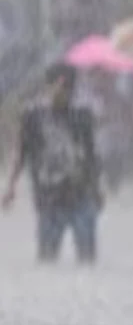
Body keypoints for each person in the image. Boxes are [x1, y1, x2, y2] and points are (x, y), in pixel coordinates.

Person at [2, 63, 102, 263]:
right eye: (56, 87)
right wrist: (11, 187)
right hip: (48, 198)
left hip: (80, 195)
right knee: (47, 259)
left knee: (87, 259)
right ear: (46, 87)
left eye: (66, 89)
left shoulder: (82, 117)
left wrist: (96, 189)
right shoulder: (32, 116)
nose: (60, 93)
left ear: (72, 91)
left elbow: (91, 156)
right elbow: (21, 152)